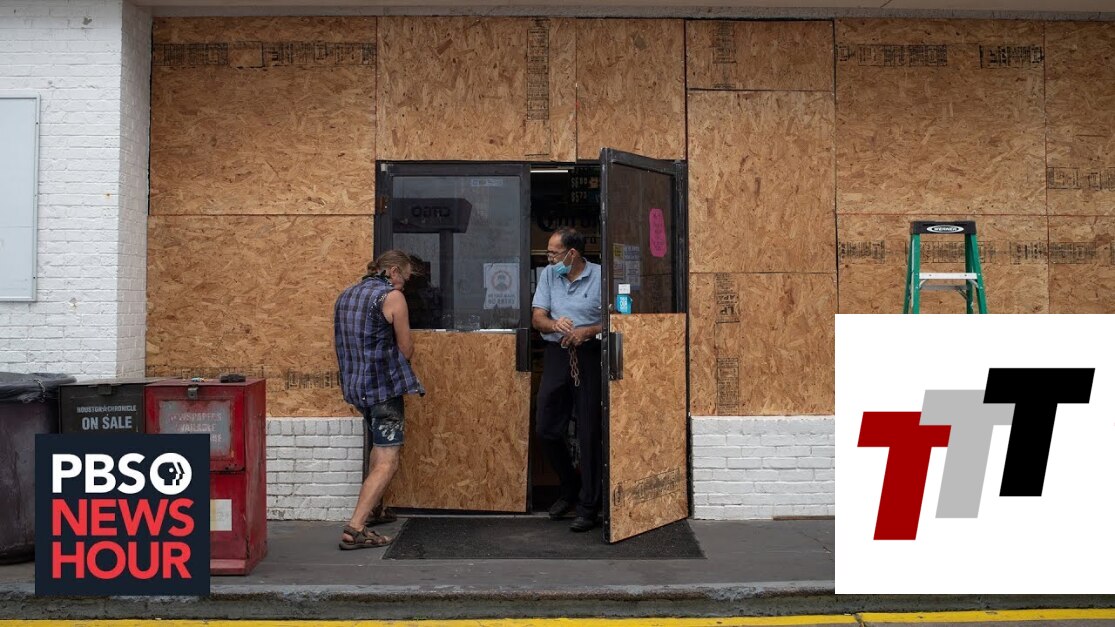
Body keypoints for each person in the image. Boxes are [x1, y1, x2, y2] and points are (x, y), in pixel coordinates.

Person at [334, 250, 425, 549]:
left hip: (357, 389)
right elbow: (406, 348)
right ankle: (355, 528)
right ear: (393, 271)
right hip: (384, 389)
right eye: (405, 279)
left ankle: (375, 509)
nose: (404, 285)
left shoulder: (346, 295)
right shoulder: (391, 297)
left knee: (378, 445)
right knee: (388, 460)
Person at [532, 227, 604, 532]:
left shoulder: (601, 276)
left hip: (590, 354)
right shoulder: (549, 275)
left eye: (554, 253)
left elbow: (616, 318)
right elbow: (537, 317)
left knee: (589, 431)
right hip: (557, 353)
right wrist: (553, 324)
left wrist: (587, 331)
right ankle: (569, 486)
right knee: (546, 428)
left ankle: (589, 506)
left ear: (572, 253)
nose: (549, 258)